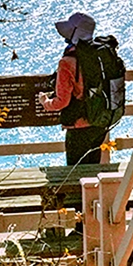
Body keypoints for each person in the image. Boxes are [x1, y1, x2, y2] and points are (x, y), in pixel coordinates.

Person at [37, 12, 110, 166]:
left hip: (78, 127)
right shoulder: (99, 55)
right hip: (98, 123)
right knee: (92, 171)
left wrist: (45, 102)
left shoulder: (67, 62)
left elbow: (62, 101)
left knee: (76, 173)